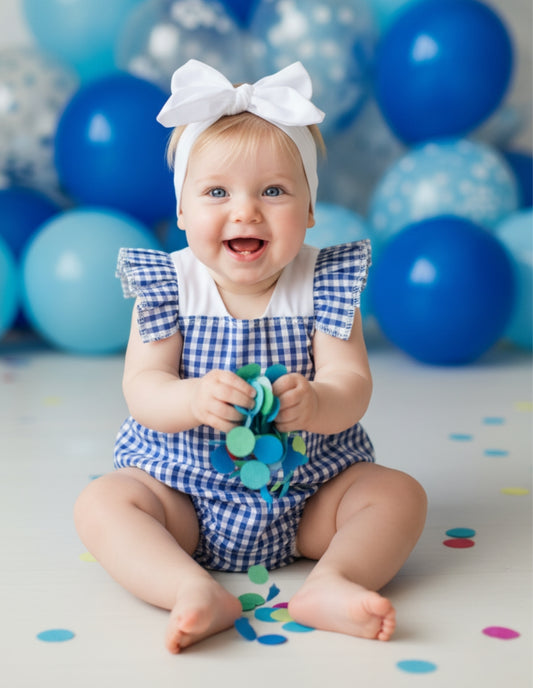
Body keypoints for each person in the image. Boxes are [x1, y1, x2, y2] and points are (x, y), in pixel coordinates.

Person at [74, 60, 427, 654]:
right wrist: (189, 398)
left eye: (273, 191)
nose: (245, 211)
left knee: (398, 495)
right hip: (182, 497)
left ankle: (333, 581)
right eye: (216, 192)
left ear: (310, 210)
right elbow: (143, 386)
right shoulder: (168, 285)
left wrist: (318, 401)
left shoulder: (325, 282)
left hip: (311, 495)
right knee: (103, 503)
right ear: (182, 211)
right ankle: (190, 588)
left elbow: (353, 384)